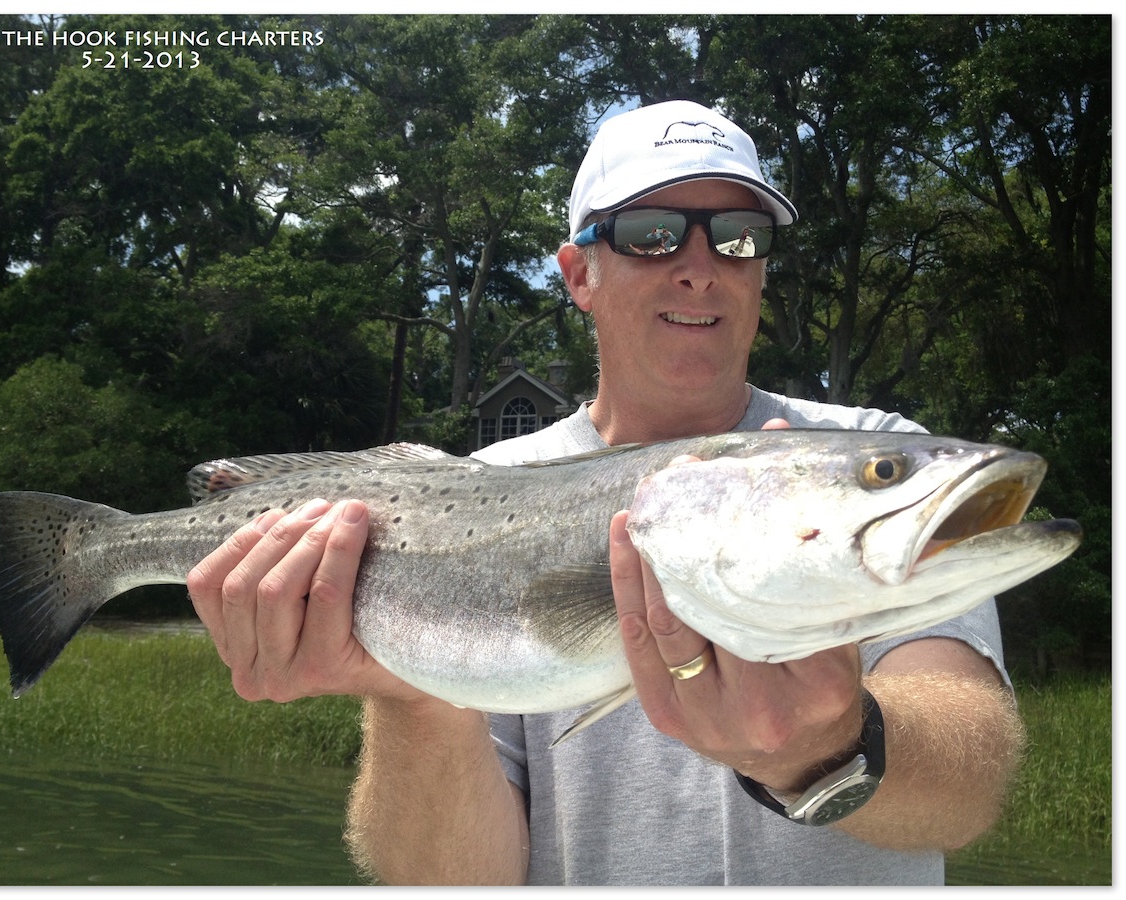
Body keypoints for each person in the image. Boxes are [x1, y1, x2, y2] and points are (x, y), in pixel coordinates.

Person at [187, 99, 1023, 885]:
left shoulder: (873, 448)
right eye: (653, 234)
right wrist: (414, 693)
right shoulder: (486, 488)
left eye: (738, 236)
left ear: (762, 272)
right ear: (579, 274)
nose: (700, 268)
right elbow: (453, 882)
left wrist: (832, 748)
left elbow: (970, 780)